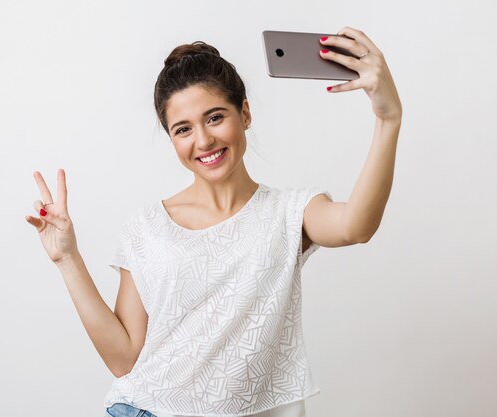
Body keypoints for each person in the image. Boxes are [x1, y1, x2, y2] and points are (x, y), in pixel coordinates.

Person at [25, 26, 402, 417]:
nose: (203, 140)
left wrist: (388, 119)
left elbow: (356, 225)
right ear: (172, 139)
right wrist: (67, 258)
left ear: (245, 113)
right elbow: (124, 360)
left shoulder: (290, 213)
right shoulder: (148, 227)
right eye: (183, 129)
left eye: (215, 117)